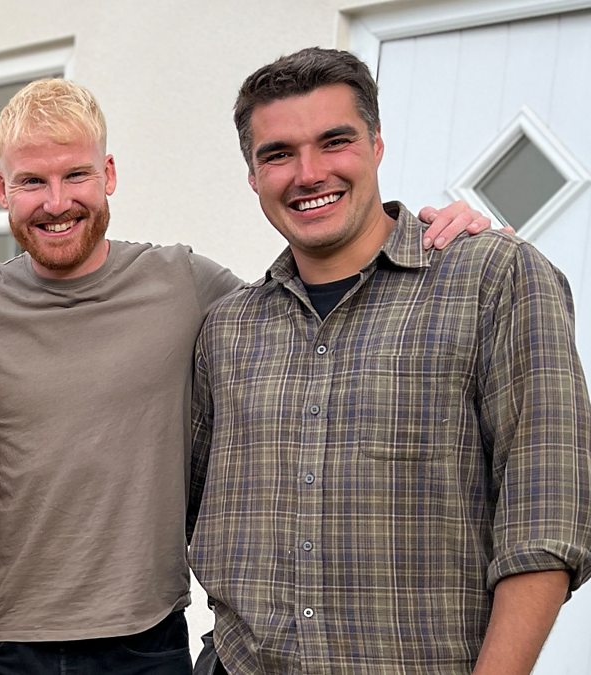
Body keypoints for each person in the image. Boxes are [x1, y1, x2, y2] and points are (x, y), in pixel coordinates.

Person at [0, 77, 493, 674]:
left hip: (146, 639)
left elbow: (309, 313)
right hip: (10, 641)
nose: (56, 203)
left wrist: (447, 238)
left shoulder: (182, 283)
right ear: (1, 188)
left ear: (109, 174)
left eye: (76, 175)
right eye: (32, 181)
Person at [187, 47, 591, 673]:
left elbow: (546, 516)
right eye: (278, 154)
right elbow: (190, 506)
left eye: (335, 142)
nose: (309, 173)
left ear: (376, 145)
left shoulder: (493, 279)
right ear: (253, 176)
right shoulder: (228, 327)